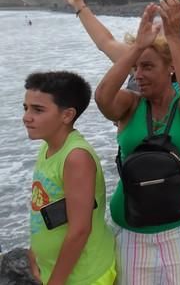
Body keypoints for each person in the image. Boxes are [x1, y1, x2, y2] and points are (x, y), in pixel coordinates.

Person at [95, 0, 180, 284]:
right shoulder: (130, 104)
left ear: (170, 68)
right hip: (132, 232)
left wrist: (172, 36)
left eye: (147, 67)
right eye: (136, 68)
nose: (138, 75)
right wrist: (137, 49)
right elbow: (102, 98)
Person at [25, 71, 116, 285]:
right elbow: (44, 206)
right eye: (26, 107)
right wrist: (33, 252)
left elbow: (80, 230)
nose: (26, 116)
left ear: (67, 115)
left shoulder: (75, 158)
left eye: (38, 110)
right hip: (58, 272)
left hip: (84, 275)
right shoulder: (48, 147)